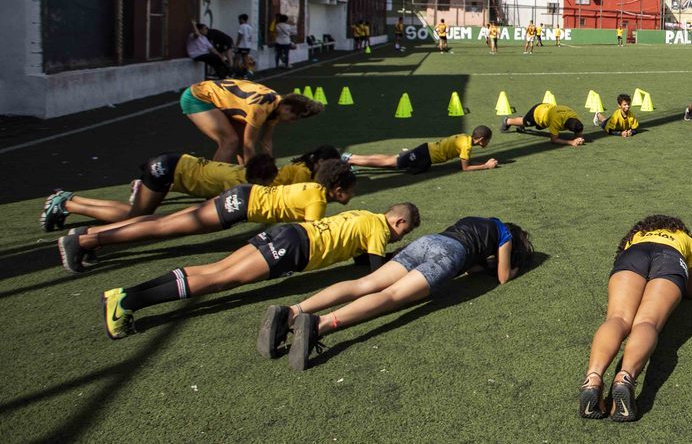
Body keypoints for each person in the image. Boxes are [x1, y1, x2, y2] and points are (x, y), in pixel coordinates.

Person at [100, 204, 419, 340]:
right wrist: (401, 261)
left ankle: (124, 294)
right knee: (221, 281)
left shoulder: (366, 215)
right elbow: (376, 275)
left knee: (215, 268)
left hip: (289, 232)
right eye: (402, 234)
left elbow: (358, 259)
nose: (398, 238)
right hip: (296, 249)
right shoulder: (380, 230)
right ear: (399, 222)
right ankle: (128, 302)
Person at [262, 215, 533, 370]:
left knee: (365, 283)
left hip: (429, 241)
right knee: (391, 297)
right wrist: (514, 268)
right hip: (449, 254)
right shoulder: (503, 234)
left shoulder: (478, 222)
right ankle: (319, 324)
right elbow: (502, 277)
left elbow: (471, 265)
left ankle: (294, 311)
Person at [59, 159, 357, 272]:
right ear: (337, 188)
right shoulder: (317, 200)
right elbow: (312, 236)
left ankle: (85, 236)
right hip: (237, 206)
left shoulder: (310, 187)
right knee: (163, 228)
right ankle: (86, 242)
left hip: (240, 197)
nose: (352, 196)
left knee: (162, 223)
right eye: (350, 191)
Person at [579, 215, 692, 421]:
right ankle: (625, 377)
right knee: (647, 321)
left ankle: (593, 378)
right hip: (670, 259)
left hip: (633, 256)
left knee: (617, 318)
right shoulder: (686, 239)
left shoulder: (636, 236)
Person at [40, 151, 290, 231]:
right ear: (258, 177)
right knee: (135, 217)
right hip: (165, 170)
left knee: (138, 215)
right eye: (267, 182)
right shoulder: (235, 185)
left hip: (172, 163)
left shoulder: (238, 172)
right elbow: (215, 209)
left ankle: (68, 202)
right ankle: (66, 202)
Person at [180, 78, 323, 163]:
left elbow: (266, 142)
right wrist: (253, 178)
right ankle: (210, 183)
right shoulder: (261, 107)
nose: (291, 122)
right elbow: (249, 145)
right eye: (293, 118)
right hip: (198, 97)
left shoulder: (276, 108)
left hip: (219, 101)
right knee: (230, 141)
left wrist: (270, 168)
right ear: (287, 108)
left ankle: (241, 177)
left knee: (239, 140)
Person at [343, 127, 497, 173]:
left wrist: (482, 162)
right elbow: (465, 168)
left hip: (425, 153)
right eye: (488, 140)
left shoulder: (465, 138)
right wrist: (486, 166)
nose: (488, 143)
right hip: (424, 155)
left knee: (393, 159)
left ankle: (352, 157)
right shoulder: (467, 146)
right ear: (482, 140)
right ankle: (350, 159)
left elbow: (466, 161)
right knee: (391, 163)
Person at [502, 100, 586, 147]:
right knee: (524, 122)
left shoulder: (574, 116)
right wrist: (571, 142)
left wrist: (579, 138)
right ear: (566, 127)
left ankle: (522, 123)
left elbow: (578, 130)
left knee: (538, 126)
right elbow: (554, 140)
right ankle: (508, 121)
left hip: (546, 108)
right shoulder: (556, 121)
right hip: (537, 113)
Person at [234, 13, 256, 77]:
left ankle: (234, 72)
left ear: (242, 19)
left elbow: (240, 36)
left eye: (239, 20)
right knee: (245, 59)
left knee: (237, 58)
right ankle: (247, 72)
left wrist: (236, 44)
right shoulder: (250, 27)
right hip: (247, 46)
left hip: (242, 46)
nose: (239, 21)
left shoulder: (242, 26)